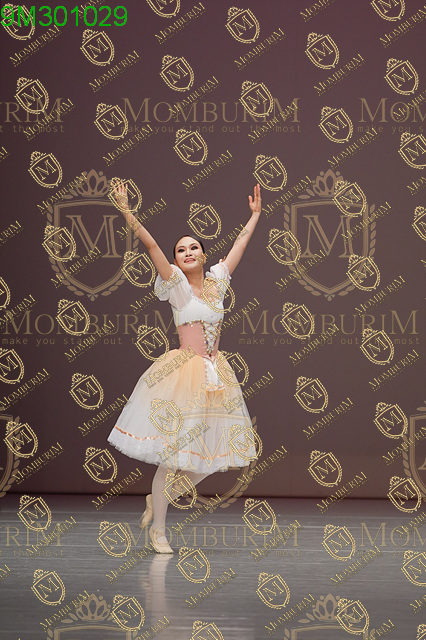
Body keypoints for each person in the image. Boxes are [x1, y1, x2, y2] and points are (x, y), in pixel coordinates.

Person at [107, 182, 262, 553]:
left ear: (204, 255)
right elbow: (151, 246)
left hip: (215, 375)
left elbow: (240, 245)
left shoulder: (218, 282)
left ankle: (156, 499)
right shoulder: (175, 285)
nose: (187, 252)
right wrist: (127, 211)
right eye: (181, 250)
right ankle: (159, 531)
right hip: (182, 375)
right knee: (172, 457)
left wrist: (255, 215)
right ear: (176, 261)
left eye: (194, 247)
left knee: (209, 460)